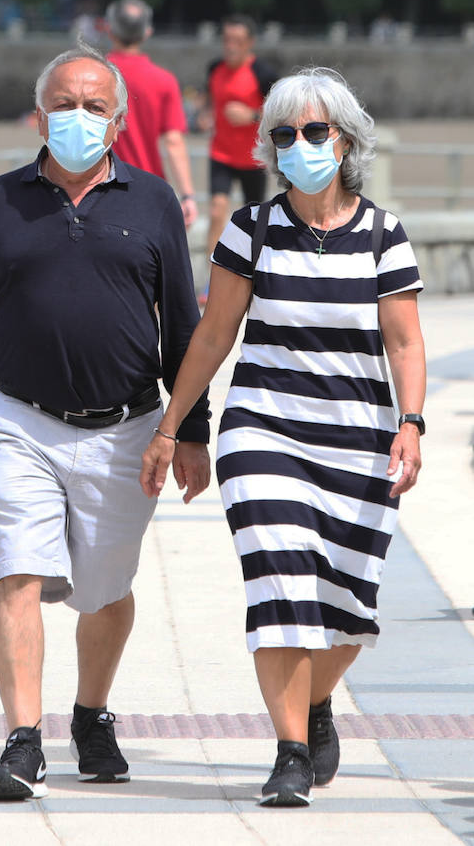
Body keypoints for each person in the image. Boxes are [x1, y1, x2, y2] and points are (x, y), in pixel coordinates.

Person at [141, 67, 426, 808]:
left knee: (346, 609)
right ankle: (291, 750)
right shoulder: (251, 227)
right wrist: (173, 427)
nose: (297, 145)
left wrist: (412, 422)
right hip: (263, 432)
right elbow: (213, 335)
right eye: (284, 134)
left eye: (313, 131)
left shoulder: (383, 235)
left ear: (347, 138)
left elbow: (404, 342)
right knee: (281, 585)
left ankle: (317, 703)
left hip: (358, 439)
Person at [0, 43, 211, 801]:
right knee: (17, 571)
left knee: (104, 589)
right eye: (64, 103)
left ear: (119, 122)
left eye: (94, 106)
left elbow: (184, 326)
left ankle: (91, 712)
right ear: (39, 114)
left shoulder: (153, 202)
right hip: (22, 422)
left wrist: (191, 431)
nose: (78, 117)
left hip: (128, 431)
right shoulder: (0, 201)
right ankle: (23, 741)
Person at [104, 0, 198, 225]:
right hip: (148, 189)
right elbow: (174, 142)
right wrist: (187, 196)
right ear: (147, 32)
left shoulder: (95, 75)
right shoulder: (164, 80)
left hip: (99, 189)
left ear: (109, 30)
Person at [205, 15, 277, 257]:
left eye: (237, 40)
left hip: (253, 157)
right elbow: (210, 99)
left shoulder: (263, 73)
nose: (230, 46)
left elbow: (282, 112)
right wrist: (205, 114)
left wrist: (252, 116)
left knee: (254, 218)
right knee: (217, 210)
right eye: (226, 40)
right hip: (221, 153)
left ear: (250, 43)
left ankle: (252, 270)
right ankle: (211, 277)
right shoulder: (214, 68)